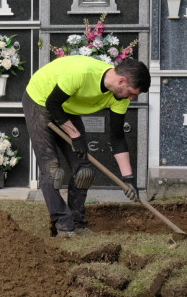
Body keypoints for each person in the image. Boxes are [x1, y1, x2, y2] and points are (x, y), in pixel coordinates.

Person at [22, 55, 150, 238]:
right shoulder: (82, 73)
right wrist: (75, 135)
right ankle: (63, 226)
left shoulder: (120, 98)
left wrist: (128, 178)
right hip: (40, 100)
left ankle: (78, 223)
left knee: (84, 172)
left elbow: (117, 137)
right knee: (52, 170)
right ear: (122, 80)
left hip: (66, 106)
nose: (131, 97)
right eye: (131, 92)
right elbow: (52, 103)